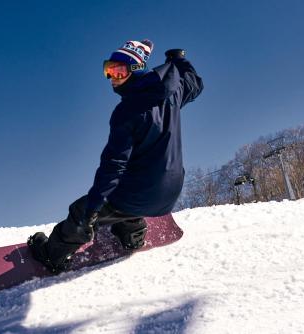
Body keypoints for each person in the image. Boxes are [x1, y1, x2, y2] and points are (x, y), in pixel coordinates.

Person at [28, 39, 204, 273]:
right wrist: (179, 61)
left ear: (136, 70)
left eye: (119, 70)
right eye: (108, 70)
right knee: (125, 197)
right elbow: (195, 84)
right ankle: (133, 235)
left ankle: (52, 255)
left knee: (82, 211)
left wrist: (91, 210)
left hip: (142, 195)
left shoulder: (126, 111)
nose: (113, 78)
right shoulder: (173, 93)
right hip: (171, 191)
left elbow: (113, 165)